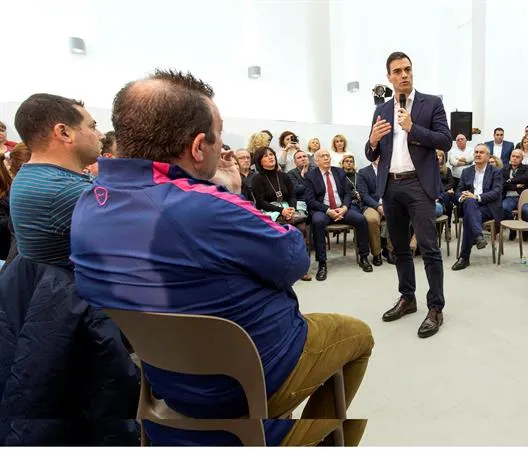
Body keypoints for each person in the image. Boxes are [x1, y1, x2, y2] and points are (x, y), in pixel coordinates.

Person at [70, 69, 373, 446]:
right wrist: (229, 192)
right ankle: (305, 438)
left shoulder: (87, 207)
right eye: (219, 135)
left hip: (167, 378)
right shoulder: (204, 206)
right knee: (357, 335)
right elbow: (294, 259)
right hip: (249, 377)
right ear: (199, 147)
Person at [365, 51, 452, 339]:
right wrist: (373, 140)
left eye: (408, 69)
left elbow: (444, 141)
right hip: (391, 186)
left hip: (419, 184)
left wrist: (413, 128)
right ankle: (408, 298)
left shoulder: (431, 104)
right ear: (389, 77)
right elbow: (371, 153)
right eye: (398, 71)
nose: (404, 75)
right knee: (399, 248)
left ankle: (436, 307)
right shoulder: (381, 110)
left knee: (428, 249)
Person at [10, 94, 103, 267]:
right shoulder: (62, 190)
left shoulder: (34, 175)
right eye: (92, 127)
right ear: (64, 133)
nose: (101, 135)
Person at [304, 149, 373, 281]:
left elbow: (347, 193)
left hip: (342, 208)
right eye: (323, 156)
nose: (326, 158)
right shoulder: (310, 176)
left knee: (361, 219)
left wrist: (345, 207)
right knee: (317, 222)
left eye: (328, 156)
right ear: (316, 160)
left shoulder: (339, 172)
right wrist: (328, 210)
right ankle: (322, 264)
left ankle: (363, 257)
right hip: (323, 210)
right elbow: (311, 201)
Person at [451, 144, 503, 271]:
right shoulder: (466, 171)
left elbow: (496, 192)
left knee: (469, 215)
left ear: (488, 156)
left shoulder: (495, 171)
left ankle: (464, 258)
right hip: (470, 205)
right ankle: (478, 236)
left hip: (488, 207)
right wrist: (461, 197)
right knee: (469, 203)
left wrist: (476, 197)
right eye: (476, 152)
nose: (478, 154)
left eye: (481, 152)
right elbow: (459, 191)